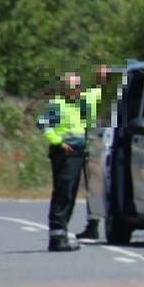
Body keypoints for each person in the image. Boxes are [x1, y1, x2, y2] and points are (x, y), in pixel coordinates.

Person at [38, 66, 105, 252]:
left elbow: (94, 97)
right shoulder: (57, 104)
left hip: (77, 153)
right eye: (74, 86)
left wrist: (100, 82)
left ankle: (62, 234)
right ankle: (57, 236)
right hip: (64, 153)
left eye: (78, 86)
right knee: (63, 192)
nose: (77, 89)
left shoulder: (78, 104)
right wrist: (58, 142)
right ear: (65, 88)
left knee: (71, 194)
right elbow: (43, 124)